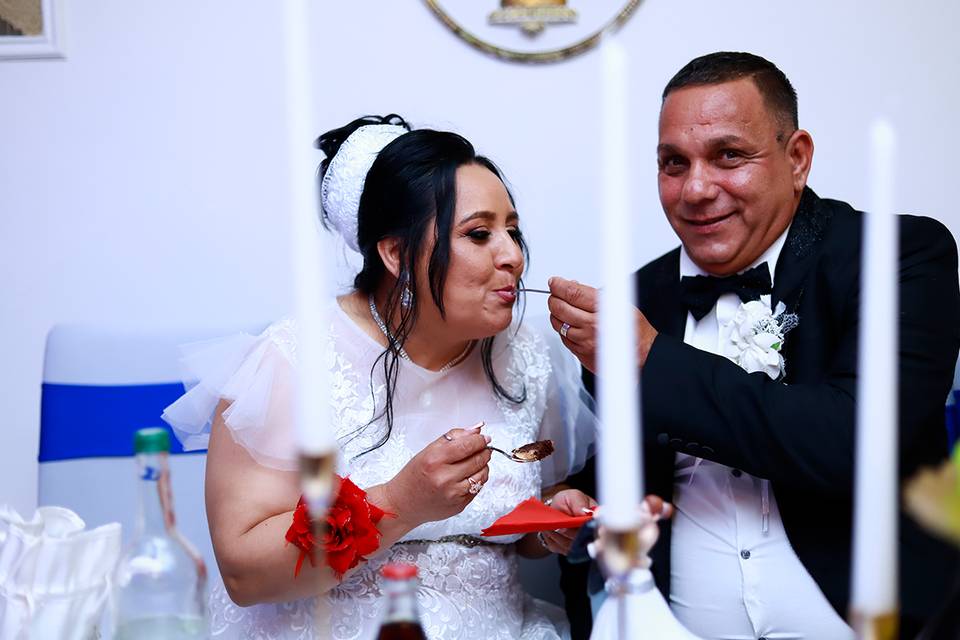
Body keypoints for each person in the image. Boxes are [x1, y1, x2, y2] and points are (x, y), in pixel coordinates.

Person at [549, 52, 960, 639]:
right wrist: (577, 500)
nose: (695, 189)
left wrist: (651, 360)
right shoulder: (638, 299)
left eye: (728, 156)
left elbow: (859, 440)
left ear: (797, 158)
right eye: (673, 163)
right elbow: (636, 468)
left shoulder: (900, 256)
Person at [161, 114, 598, 639]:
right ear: (395, 254)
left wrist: (554, 517)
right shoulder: (290, 362)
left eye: (513, 230)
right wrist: (398, 503)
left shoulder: (527, 353)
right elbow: (243, 573)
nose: (512, 255)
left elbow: (525, 520)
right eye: (479, 234)